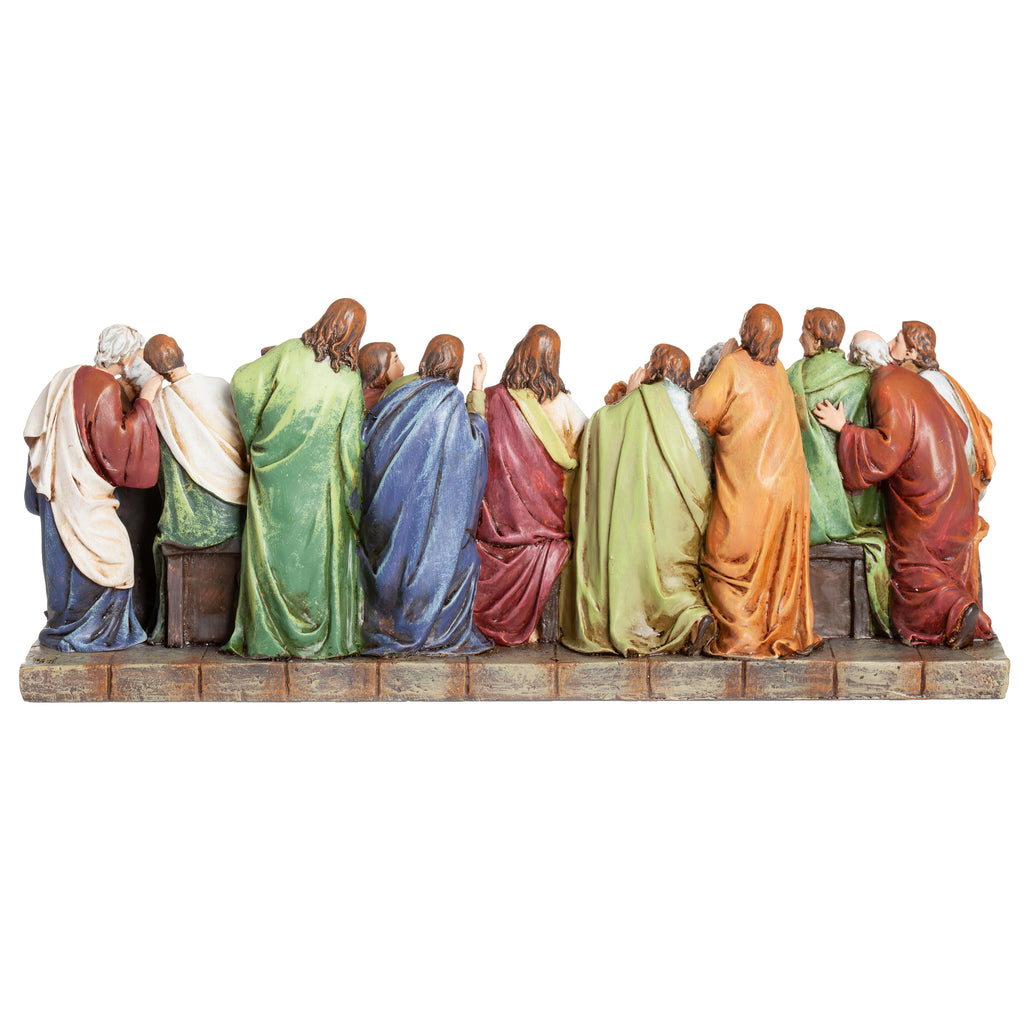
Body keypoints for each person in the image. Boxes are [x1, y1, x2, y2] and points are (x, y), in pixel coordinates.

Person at [813, 329, 993, 647]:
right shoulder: (914, 380)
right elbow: (960, 429)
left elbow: (885, 454)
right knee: (937, 562)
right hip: (958, 494)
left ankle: (956, 609)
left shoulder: (883, 385)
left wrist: (845, 428)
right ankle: (965, 612)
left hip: (929, 503)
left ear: (859, 361)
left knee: (911, 565)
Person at [226, 298, 366, 659]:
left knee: (270, 551)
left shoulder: (289, 352)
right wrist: (354, 496)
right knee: (316, 559)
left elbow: (243, 383)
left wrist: (254, 437)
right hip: (320, 485)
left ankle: (267, 637)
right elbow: (350, 447)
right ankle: (315, 635)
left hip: (272, 473)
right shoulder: (349, 379)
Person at [560, 344, 715, 657]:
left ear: (654, 370)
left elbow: (600, 426)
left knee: (638, 566)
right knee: (678, 579)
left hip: (649, 522)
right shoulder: (696, 410)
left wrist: (629, 395)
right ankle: (692, 616)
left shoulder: (639, 401)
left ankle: (673, 620)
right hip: (688, 524)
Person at [690, 303, 820, 658]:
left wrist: (716, 368)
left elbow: (701, 412)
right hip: (789, 490)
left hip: (751, 489)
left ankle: (743, 635)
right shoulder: (778, 370)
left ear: (747, 331)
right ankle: (777, 626)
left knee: (721, 560)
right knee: (775, 565)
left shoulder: (733, 365)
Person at [23, 324, 161, 651]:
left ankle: (65, 623)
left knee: (64, 556)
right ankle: (90, 633)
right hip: (82, 493)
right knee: (115, 558)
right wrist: (145, 401)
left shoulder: (67, 376)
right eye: (136, 354)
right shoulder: (104, 386)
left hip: (57, 486)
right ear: (126, 358)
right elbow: (115, 450)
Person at [360, 334, 491, 656]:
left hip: (387, 518)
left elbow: (368, 439)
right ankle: (436, 633)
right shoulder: (449, 399)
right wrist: (477, 392)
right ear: (456, 366)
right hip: (419, 524)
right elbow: (472, 452)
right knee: (463, 560)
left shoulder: (399, 394)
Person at [473, 325, 587, 645]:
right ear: (555, 362)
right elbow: (588, 448)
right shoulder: (563, 406)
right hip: (546, 525)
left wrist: (476, 388)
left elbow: (472, 436)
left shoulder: (491, 398)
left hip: (495, 527)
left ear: (519, 354)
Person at [787, 308, 890, 634]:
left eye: (804, 333)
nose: (799, 339)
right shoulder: (859, 379)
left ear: (817, 340)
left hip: (797, 499)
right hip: (847, 507)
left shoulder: (791, 376)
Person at [141, 334, 248, 642]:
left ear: (154, 369)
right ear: (181, 353)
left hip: (191, 522)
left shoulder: (159, 405)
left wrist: (146, 395)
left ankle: (170, 629)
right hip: (238, 511)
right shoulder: (220, 386)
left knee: (159, 539)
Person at [901, 320, 995, 593]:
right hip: (956, 485)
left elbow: (947, 442)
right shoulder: (941, 378)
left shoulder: (925, 385)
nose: (890, 348)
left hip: (949, 492)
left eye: (897, 342)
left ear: (911, 352)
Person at [357, 342, 405, 415]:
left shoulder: (359, 394)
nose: (402, 367)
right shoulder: (384, 399)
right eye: (395, 361)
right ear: (379, 368)